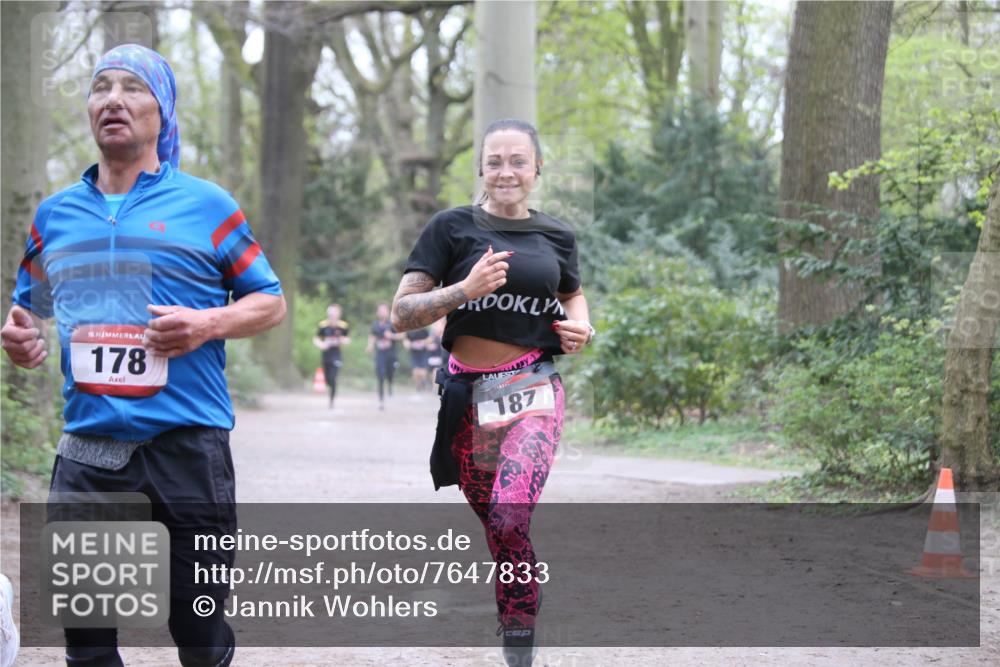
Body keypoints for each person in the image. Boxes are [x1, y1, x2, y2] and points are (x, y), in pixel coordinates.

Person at [1, 44, 285, 667]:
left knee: (198, 630)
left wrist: (208, 323)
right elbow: (30, 313)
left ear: (163, 109)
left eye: (133, 87)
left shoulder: (207, 205)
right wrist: (23, 339)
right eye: (101, 87)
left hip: (189, 448)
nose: (113, 100)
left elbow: (270, 300)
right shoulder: (55, 216)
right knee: (89, 640)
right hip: (89, 453)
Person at [390, 118, 594, 667]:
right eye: (495, 161)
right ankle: (522, 595)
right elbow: (402, 313)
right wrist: (464, 289)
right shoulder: (449, 228)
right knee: (501, 532)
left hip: (533, 388)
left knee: (509, 516)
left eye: (518, 161)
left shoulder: (557, 236)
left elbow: (573, 295)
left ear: (536, 168)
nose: (506, 171)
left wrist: (584, 327)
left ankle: (519, 626)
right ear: (481, 167)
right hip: (468, 398)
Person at [312, 303, 350, 407]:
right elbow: (316, 339)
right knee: (327, 378)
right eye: (331, 312)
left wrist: (343, 340)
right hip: (326, 354)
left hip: (336, 354)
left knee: (333, 378)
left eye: (334, 312)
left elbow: (348, 339)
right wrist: (322, 345)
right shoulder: (323, 325)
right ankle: (330, 386)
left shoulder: (343, 326)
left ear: (339, 314)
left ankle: (331, 400)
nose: (332, 314)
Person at [366, 302, 402, 410]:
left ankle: (390, 384)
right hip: (380, 354)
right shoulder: (375, 324)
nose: (382, 312)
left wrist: (391, 336)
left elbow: (403, 335)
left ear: (388, 311)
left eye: (384, 310)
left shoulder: (393, 323)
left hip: (391, 354)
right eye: (380, 310)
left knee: (390, 374)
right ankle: (381, 401)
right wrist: (370, 346)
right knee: (380, 376)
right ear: (377, 312)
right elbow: (372, 336)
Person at [404, 326, 432, 392]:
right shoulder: (410, 332)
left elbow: (430, 339)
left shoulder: (424, 331)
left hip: (423, 354)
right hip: (414, 354)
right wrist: (409, 344)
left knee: (423, 372)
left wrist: (422, 342)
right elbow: (406, 340)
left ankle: (425, 382)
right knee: (415, 372)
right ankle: (418, 387)